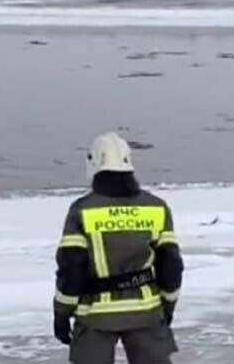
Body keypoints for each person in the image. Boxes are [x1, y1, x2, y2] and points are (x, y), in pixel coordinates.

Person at [52, 132, 183, 364]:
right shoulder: (156, 208)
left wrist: (62, 312)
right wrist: (168, 304)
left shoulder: (82, 211)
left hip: (95, 315)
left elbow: (71, 268)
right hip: (146, 311)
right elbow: (171, 264)